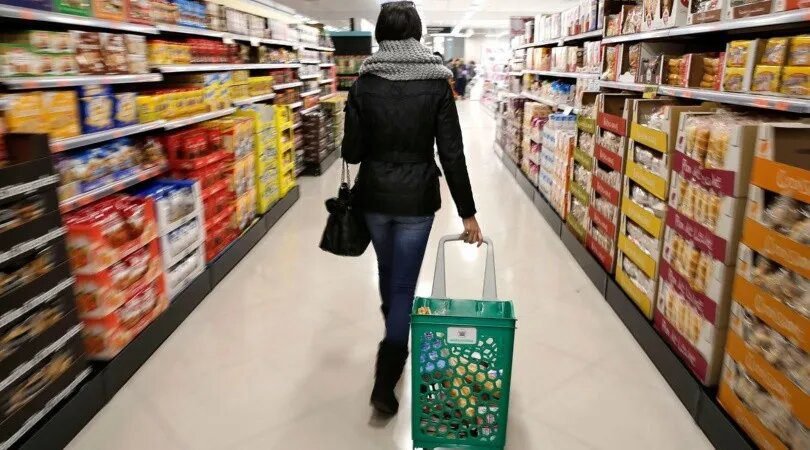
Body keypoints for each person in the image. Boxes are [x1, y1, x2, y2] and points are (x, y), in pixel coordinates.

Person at [341, 0, 483, 416]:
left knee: (389, 275)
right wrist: (467, 212)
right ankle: (386, 375)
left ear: (380, 34)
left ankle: (392, 337)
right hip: (417, 197)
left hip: (374, 195)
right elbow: (452, 153)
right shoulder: (438, 82)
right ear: (417, 33)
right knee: (403, 284)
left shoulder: (363, 83)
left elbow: (352, 151)